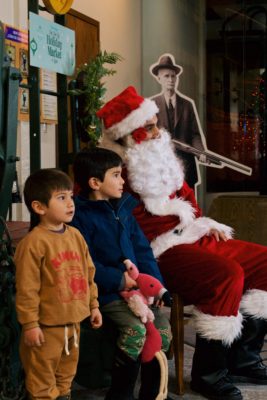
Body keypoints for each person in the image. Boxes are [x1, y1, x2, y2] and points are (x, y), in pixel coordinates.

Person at [97, 85, 267, 400]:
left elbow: (189, 204)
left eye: (155, 122)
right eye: (149, 126)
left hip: (192, 237)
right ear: (130, 134)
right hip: (156, 252)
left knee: (264, 262)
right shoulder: (112, 171)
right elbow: (112, 227)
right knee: (226, 274)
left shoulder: (160, 160)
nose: (158, 130)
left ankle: (243, 357)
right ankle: (209, 374)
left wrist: (205, 224)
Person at [70, 147, 172, 400]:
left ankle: (153, 392)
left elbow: (142, 250)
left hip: (139, 292)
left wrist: (156, 285)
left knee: (162, 331)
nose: (123, 180)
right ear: (95, 182)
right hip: (106, 293)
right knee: (135, 331)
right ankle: (120, 393)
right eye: (116, 175)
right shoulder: (79, 217)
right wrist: (117, 279)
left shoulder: (123, 210)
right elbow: (85, 264)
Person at [14, 168, 102, 400]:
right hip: (45, 328)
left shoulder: (75, 236)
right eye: (61, 198)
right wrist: (30, 324)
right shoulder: (33, 243)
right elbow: (26, 288)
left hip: (73, 323)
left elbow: (88, 273)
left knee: (66, 377)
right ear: (40, 207)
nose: (70, 203)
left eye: (71, 196)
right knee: (42, 382)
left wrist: (93, 305)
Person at [150, 53, 206, 189]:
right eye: (166, 76)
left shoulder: (187, 105)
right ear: (159, 79)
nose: (170, 79)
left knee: (189, 207)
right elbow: (148, 134)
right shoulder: (151, 104)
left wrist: (200, 152)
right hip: (161, 167)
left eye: (173, 76)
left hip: (186, 166)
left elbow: (194, 135)